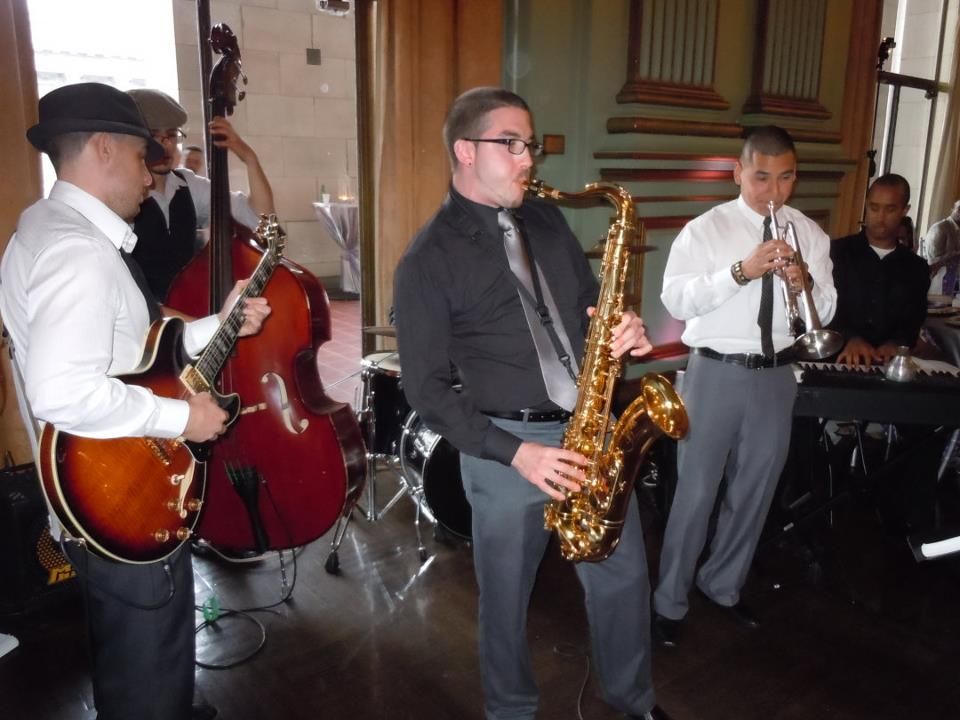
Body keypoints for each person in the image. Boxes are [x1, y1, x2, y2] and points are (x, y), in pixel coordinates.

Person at [393, 87, 668, 720]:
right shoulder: (427, 260)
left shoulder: (546, 221)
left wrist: (621, 328)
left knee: (624, 576)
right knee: (506, 598)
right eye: (511, 144)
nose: (529, 159)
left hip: (589, 428)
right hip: (506, 450)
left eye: (530, 145)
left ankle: (632, 698)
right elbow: (426, 391)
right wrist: (518, 454)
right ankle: (511, 710)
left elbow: (586, 308)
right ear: (465, 150)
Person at [0, 82, 271, 720]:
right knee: (149, 651)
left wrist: (223, 323)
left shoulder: (44, 228)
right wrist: (184, 418)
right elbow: (64, 391)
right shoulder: (79, 253)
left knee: (131, 647)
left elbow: (139, 352)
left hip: (101, 484)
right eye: (139, 156)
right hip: (122, 490)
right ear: (103, 148)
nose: (151, 176)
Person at [654, 126, 837, 646]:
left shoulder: (810, 234)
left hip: (777, 374)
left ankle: (723, 585)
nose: (773, 191)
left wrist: (805, 283)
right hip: (714, 372)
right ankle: (668, 600)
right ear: (738, 173)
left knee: (755, 491)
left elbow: (826, 312)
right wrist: (741, 270)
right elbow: (675, 301)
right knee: (695, 492)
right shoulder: (704, 230)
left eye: (785, 178)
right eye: (761, 177)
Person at [127, 88, 275, 301]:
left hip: (189, 309)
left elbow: (260, 219)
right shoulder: (122, 195)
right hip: (143, 316)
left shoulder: (188, 185)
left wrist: (249, 158)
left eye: (172, 134)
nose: (166, 144)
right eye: (154, 135)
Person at [829, 174, 930, 365]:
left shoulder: (916, 268)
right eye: (874, 208)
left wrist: (896, 343)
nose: (880, 217)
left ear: (904, 210)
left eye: (890, 209)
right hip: (837, 358)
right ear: (866, 205)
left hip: (888, 364)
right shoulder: (835, 253)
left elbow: (913, 319)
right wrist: (850, 338)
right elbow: (822, 307)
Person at [921, 199, 960, 296]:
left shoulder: (956, 229)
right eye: (959, 209)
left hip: (952, 282)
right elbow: (932, 262)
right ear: (952, 209)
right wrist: (954, 255)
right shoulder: (940, 228)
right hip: (937, 283)